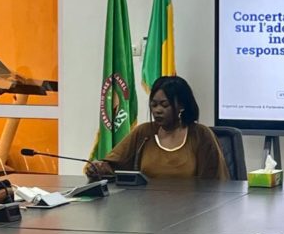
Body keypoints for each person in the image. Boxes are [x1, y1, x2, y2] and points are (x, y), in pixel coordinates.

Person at [87, 76, 229, 180]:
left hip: (193, 207)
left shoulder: (200, 135)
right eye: (154, 105)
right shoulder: (144, 132)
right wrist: (98, 168)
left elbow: (215, 182)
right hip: (147, 207)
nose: (157, 110)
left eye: (164, 105)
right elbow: (113, 166)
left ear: (181, 105)